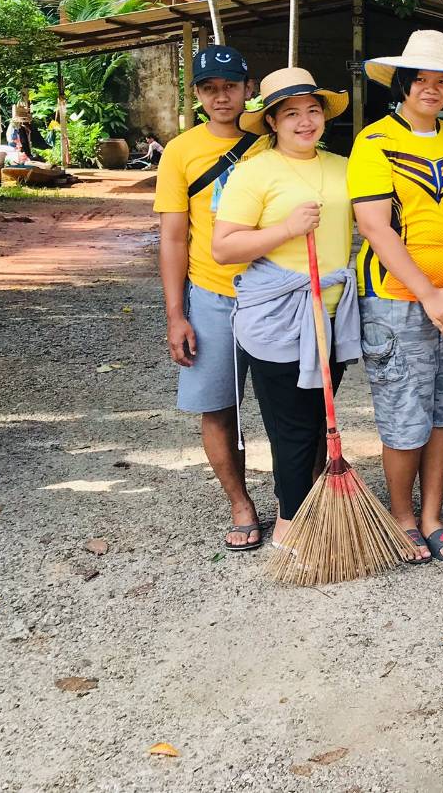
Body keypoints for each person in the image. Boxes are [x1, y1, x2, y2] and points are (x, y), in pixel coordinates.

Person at [348, 30, 443, 564]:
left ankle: (433, 516)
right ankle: (402, 516)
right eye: (421, 80)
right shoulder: (375, 142)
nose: (431, 89)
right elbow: (375, 228)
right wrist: (428, 292)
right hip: (395, 299)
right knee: (405, 414)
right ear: (403, 84)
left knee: (442, 411)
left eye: (441, 81)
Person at [213, 68, 358, 550]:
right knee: (292, 427)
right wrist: (288, 228)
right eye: (291, 113)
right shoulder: (255, 171)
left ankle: (317, 505)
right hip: (279, 316)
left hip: (334, 312)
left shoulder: (342, 166)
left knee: (319, 420)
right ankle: (289, 524)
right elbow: (224, 247)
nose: (305, 121)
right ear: (272, 121)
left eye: (313, 110)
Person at [152, 45, 265, 550]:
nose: (221, 97)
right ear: (198, 95)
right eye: (209, 88)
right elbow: (174, 237)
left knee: (294, 404)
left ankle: (302, 499)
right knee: (218, 407)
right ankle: (240, 503)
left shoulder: (270, 141)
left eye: (230, 86)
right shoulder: (181, 151)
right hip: (213, 295)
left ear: (248, 87)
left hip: (273, 295)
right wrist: (177, 314)